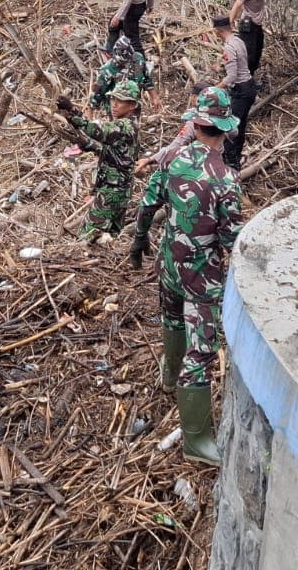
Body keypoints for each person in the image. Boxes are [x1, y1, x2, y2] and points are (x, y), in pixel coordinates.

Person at [129, 86, 242, 466]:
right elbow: (229, 238)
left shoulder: (172, 160)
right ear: (224, 130)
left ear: (195, 124)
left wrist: (139, 241)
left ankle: (168, 375)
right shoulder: (226, 179)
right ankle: (196, 440)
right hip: (202, 276)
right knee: (203, 351)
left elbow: (148, 204)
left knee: (171, 317)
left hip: (169, 261)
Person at [57, 79, 142, 239]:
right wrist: (89, 145)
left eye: (120, 101)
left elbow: (98, 131)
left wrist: (72, 110)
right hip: (120, 191)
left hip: (112, 192)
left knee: (86, 237)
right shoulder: (127, 126)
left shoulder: (125, 126)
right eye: (113, 99)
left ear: (132, 105)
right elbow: (118, 155)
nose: (115, 104)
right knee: (109, 239)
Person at [138, 82, 216, 176]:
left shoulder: (194, 121)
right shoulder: (221, 118)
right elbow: (234, 132)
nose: (191, 98)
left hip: (199, 168)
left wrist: (150, 159)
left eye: (193, 95)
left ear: (197, 98)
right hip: (217, 164)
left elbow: (177, 144)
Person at [212, 15, 257, 174]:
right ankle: (235, 161)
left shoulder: (229, 47)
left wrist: (213, 90)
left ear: (217, 32)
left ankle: (230, 167)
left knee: (231, 129)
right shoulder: (238, 40)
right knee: (240, 126)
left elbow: (231, 77)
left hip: (241, 91)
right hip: (249, 87)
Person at [89, 36, 156, 111]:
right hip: (116, 109)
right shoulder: (107, 70)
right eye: (122, 62)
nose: (125, 64)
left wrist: (154, 98)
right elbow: (97, 94)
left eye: (127, 61)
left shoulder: (138, 59)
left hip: (133, 105)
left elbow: (147, 79)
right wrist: (90, 115)